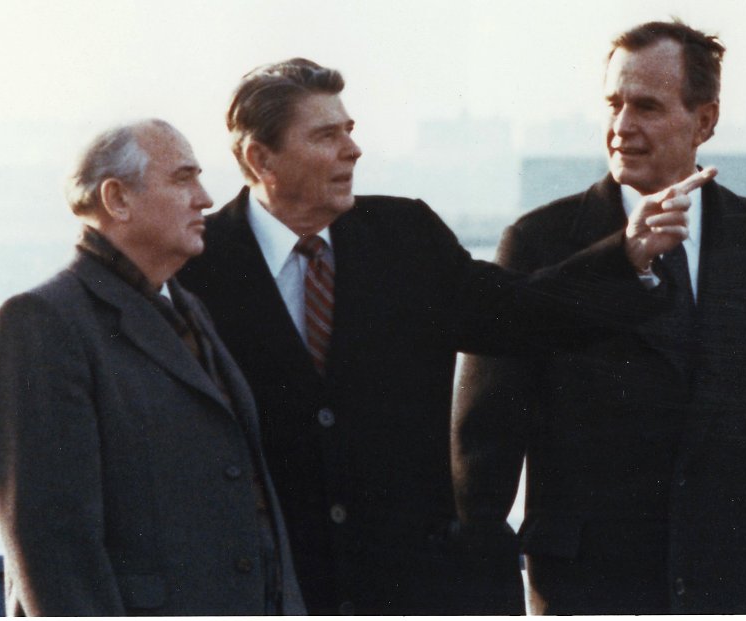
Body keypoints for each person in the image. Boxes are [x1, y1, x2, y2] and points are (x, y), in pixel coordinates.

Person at [177, 58, 711, 615]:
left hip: (409, 590)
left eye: (349, 132)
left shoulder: (405, 237)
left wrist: (626, 255)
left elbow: (521, 311)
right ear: (262, 159)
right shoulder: (194, 266)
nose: (352, 151)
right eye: (326, 136)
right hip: (264, 591)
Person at [453, 20, 746, 615]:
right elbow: (480, 469)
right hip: (589, 600)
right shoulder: (538, 244)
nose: (622, 127)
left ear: (704, 121)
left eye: (646, 106)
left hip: (742, 598)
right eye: (614, 104)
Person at [0, 119, 305, 615]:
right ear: (117, 200)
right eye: (182, 179)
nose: (205, 198)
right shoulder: (43, 321)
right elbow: (51, 544)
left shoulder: (188, 310)